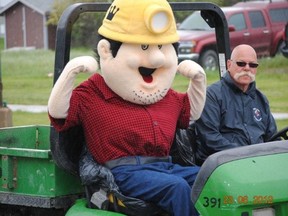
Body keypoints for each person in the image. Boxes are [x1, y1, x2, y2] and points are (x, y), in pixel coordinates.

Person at [48, 0, 207, 215]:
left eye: (161, 47)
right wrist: (71, 72)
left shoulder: (163, 95)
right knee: (176, 187)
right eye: (144, 47)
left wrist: (198, 81)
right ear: (107, 51)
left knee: (212, 178)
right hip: (124, 172)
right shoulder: (93, 92)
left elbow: (192, 113)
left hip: (164, 166)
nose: (157, 57)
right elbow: (58, 112)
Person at [194, 44, 278, 166]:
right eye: (241, 63)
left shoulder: (261, 99)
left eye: (252, 65)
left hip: (259, 163)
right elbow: (210, 138)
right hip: (224, 164)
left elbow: (272, 138)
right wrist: (245, 155)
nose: (247, 68)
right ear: (229, 65)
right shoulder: (212, 95)